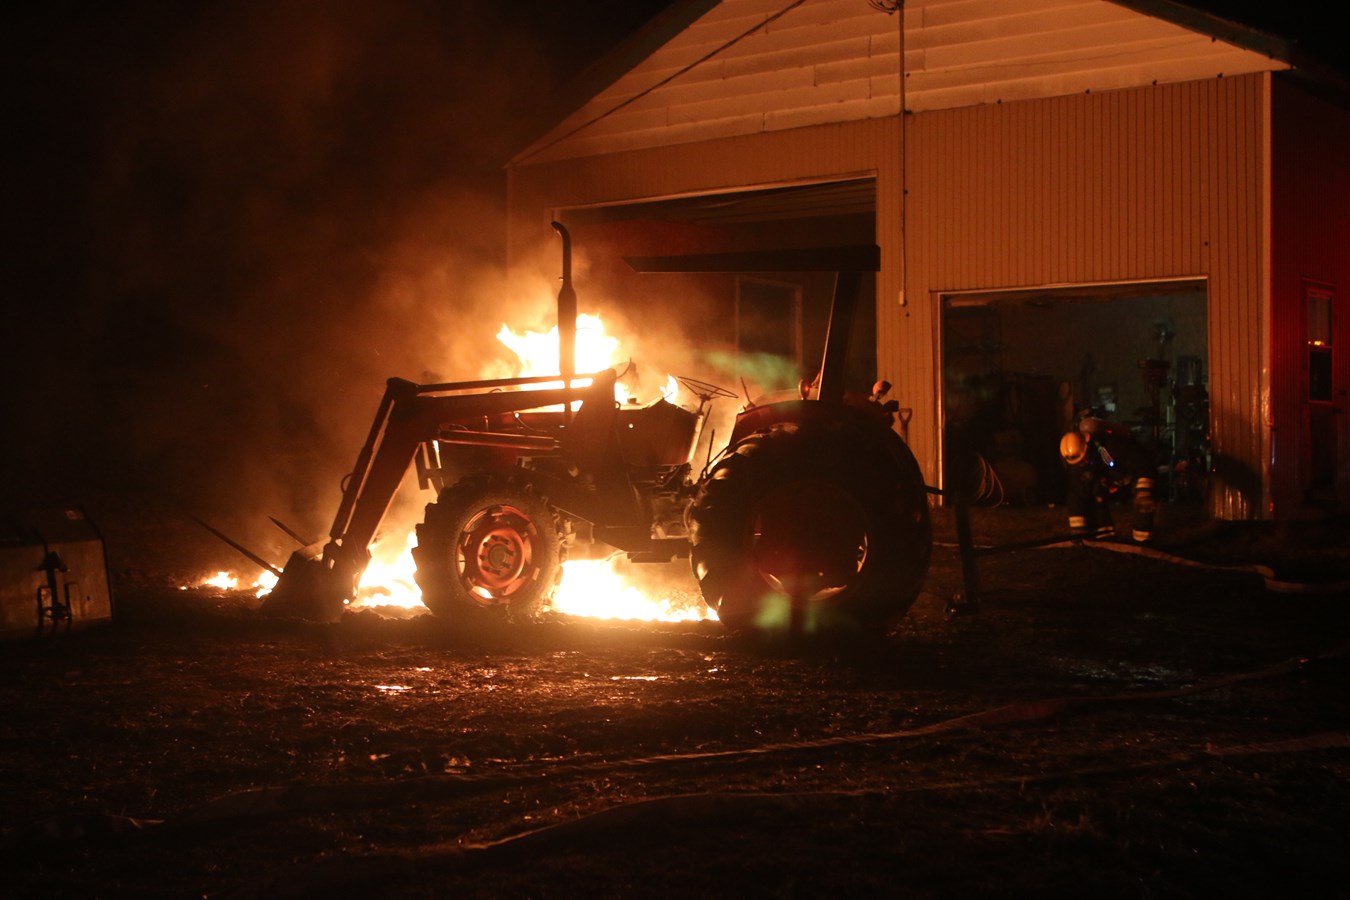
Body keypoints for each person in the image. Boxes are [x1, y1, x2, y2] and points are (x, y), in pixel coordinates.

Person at [1058, 416, 1157, 542]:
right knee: (1096, 496)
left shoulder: (1109, 448)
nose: (1082, 464)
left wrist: (1144, 490)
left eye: (1083, 459)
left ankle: (1143, 540)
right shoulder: (1076, 466)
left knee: (1143, 502)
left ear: (1087, 446)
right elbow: (1077, 495)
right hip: (1110, 483)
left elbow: (1142, 464)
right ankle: (1105, 536)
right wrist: (1078, 531)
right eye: (1078, 462)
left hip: (1133, 477)